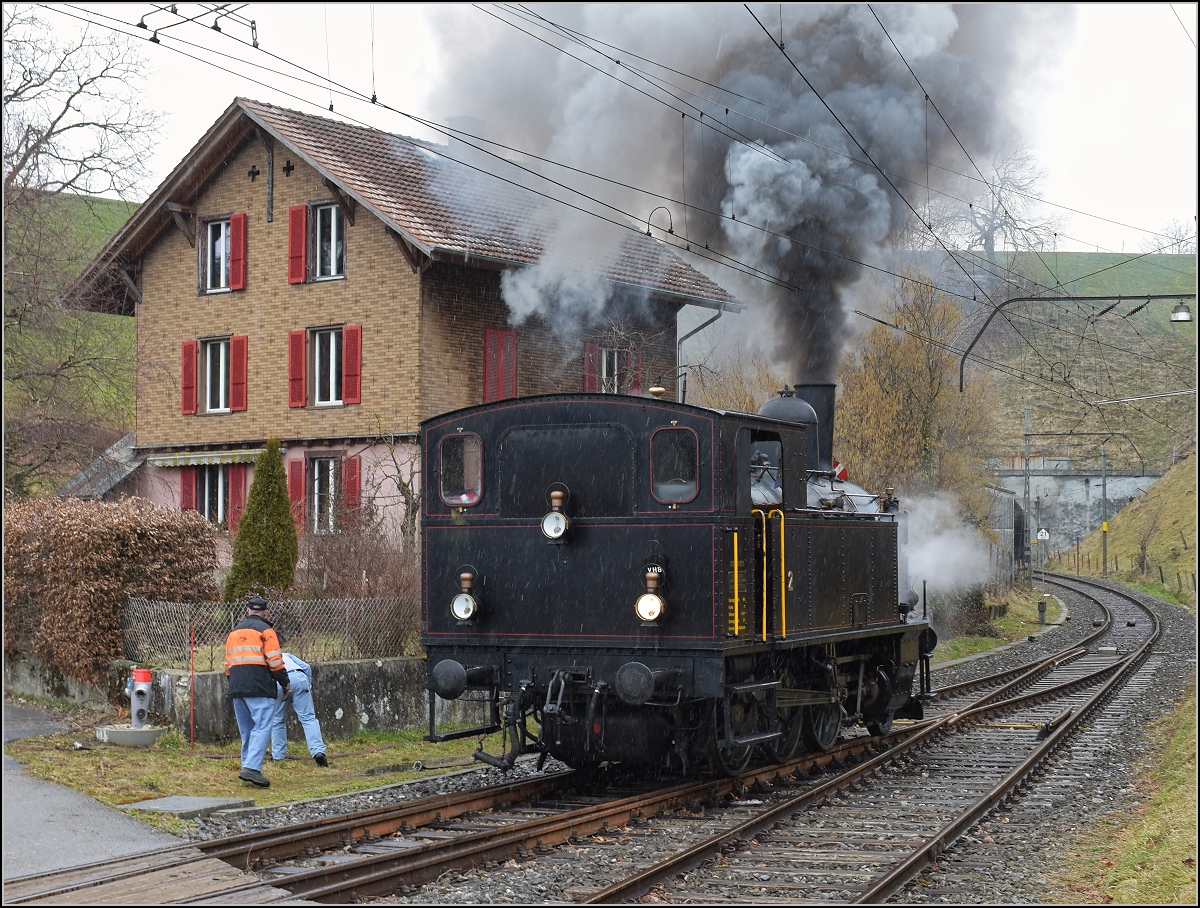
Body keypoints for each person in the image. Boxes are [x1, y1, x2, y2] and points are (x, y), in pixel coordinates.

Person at [223, 597, 290, 788]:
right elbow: (275, 661)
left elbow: (228, 664)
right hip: (260, 686)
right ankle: (252, 768)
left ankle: (247, 766)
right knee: (262, 727)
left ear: (247, 611)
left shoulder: (233, 633)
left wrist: (235, 683)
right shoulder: (266, 631)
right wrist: (285, 683)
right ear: (266, 612)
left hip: (237, 687)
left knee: (247, 730)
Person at [271, 651, 328, 767]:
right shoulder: (286, 655)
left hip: (279, 682)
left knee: (277, 721)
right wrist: (308, 685)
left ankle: (278, 756)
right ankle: (318, 752)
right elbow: (306, 667)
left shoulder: (263, 658)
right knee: (309, 719)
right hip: (299, 677)